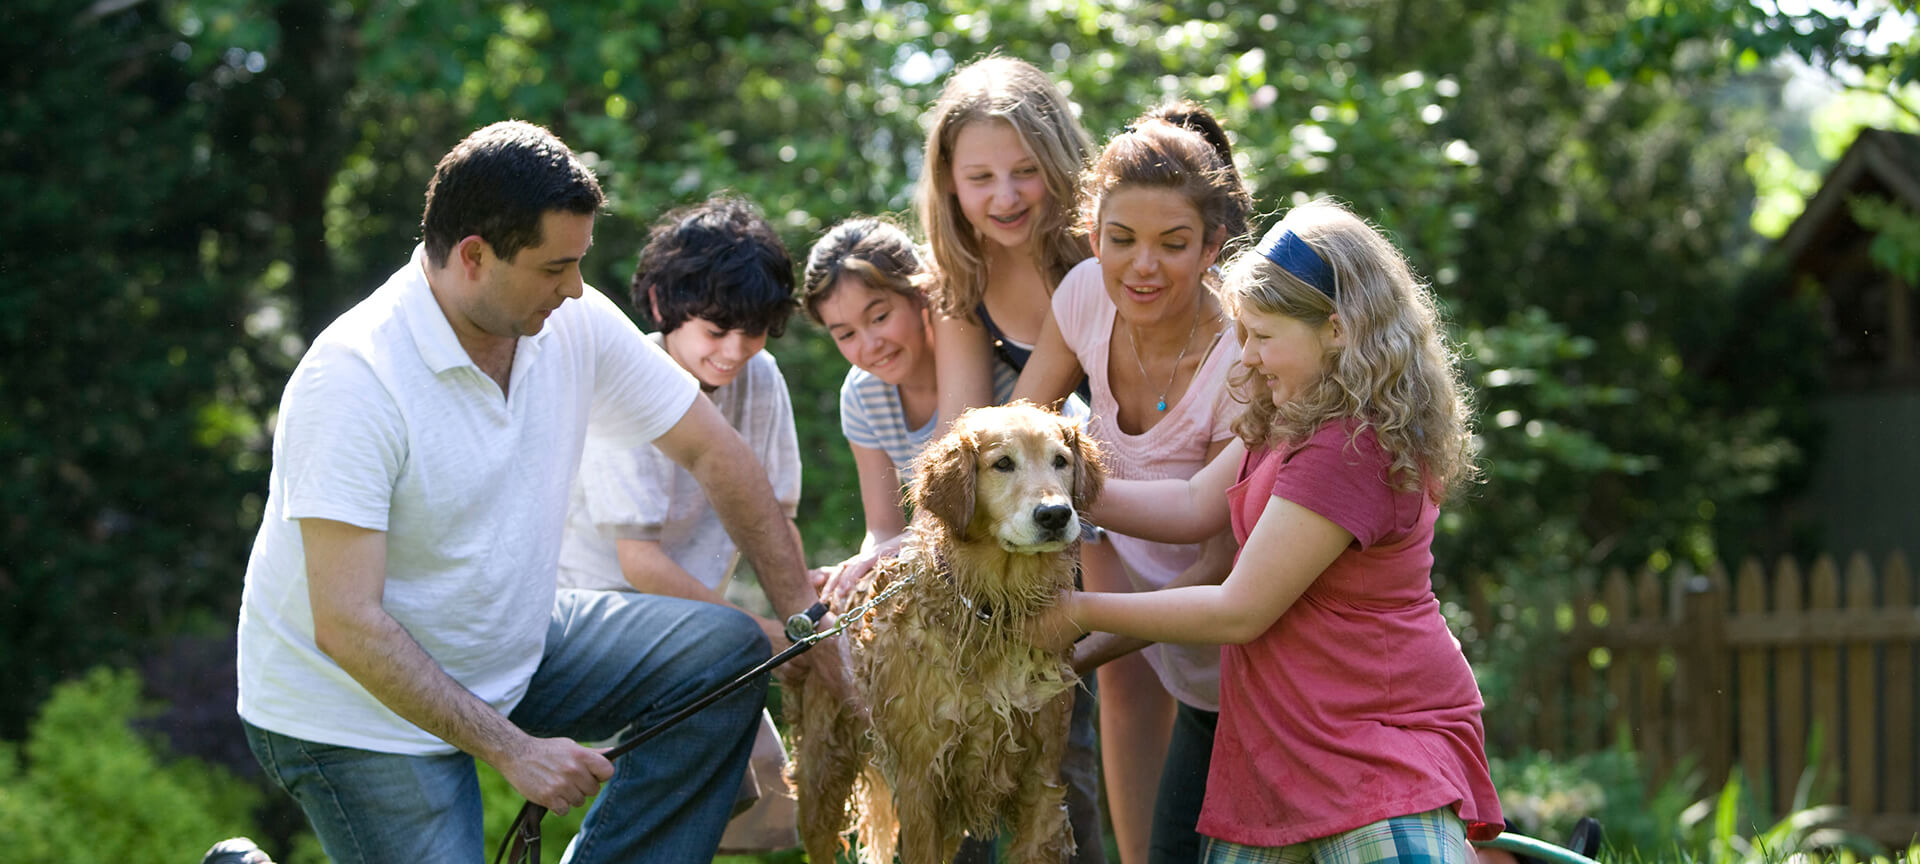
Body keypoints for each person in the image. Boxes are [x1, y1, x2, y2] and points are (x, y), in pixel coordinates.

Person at [232, 121, 846, 864]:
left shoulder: (571, 321)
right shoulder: (353, 378)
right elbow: (347, 623)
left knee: (723, 650)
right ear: (474, 256)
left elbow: (716, 454)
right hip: (353, 710)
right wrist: (513, 749)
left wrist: (807, 624)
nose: (577, 287)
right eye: (556, 267)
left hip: (509, 641)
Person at [1034, 199, 1504, 862]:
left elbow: (1240, 609)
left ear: (1335, 330)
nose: (1247, 357)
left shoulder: (1350, 446)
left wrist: (1074, 611)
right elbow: (1193, 505)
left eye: (1261, 336)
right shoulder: (1294, 414)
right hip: (1284, 744)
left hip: (1375, 747)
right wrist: (1050, 492)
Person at [802, 216, 1102, 864]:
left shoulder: (1004, 383)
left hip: (1039, 587)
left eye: (879, 315)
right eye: (844, 333)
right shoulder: (863, 395)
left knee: (1062, 766)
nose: (869, 344)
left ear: (922, 297)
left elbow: (1065, 487)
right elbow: (884, 525)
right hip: (943, 594)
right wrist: (861, 567)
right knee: (940, 765)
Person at [1012, 100, 1252, 864]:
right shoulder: (1085, 295)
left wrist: (1075, 650)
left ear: (1212, 246)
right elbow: (1015, 435)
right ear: (1093, 236)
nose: (1142, 266)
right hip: (1194, 685)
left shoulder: (1246, 354)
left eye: (1172, 244)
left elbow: (1218, 561)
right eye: (1121, 240)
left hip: (1267, 678)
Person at [555, 194, 804, 854]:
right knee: (693, 777)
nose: (735, 351)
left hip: (698, 626)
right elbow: (639, 562)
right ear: (663, 306)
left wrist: (804, 622)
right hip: (600, 617)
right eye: (717, 331)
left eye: (754, 332)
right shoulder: (627, 377)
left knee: (737, 801)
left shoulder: (760, 378)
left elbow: (775, 523)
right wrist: (763, 635)